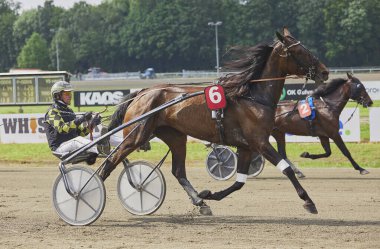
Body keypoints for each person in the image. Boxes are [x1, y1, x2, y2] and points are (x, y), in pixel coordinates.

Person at [44, 81, 101, 164]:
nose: (70, 96)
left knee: (101, 136)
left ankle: (121, 145)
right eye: (66, 94)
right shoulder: (52, 111)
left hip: (73, 143)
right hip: (60, 148)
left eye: (70, 94)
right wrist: (82, 119)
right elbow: (62, 129)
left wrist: (93, 124)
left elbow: (80, 133)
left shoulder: (69, 111)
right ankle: (95, 151)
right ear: (57, 95)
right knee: (77, 140)